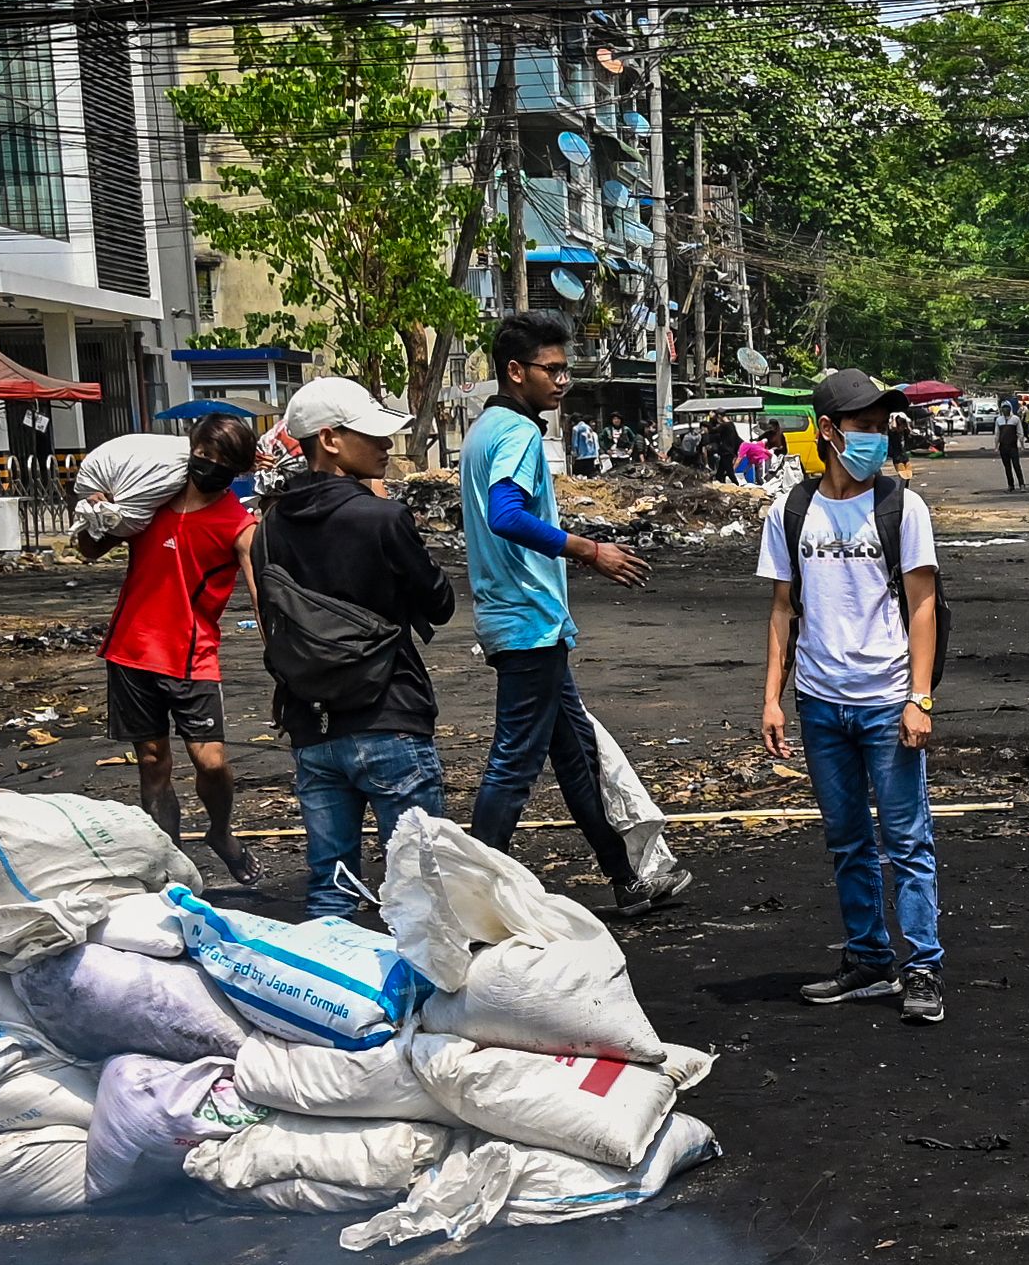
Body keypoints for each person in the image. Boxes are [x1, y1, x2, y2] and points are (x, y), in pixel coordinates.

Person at [456, 312, 679, 918]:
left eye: (565, 369)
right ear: (514, 371)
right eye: (551, 370)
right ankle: (476, 898)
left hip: (525, 619)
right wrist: (587, 549)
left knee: (574, 753)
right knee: (514, 761)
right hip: (526, 620)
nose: (562, 382)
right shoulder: (519, 434)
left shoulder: (482, 431)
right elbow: (505, 514)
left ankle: (626, 878)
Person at [758, 369, 948, 1025]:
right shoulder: (791, 511)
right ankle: (869, 959)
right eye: (863, 425)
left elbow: (923, 606)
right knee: (846, 840)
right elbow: (783, 609)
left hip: (885, 701)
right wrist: (772, 698)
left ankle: (921, 966)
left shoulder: (903, 508)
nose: (875, 435)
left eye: (881, 423)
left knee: (907, 839)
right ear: (830, 430)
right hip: (819, 703)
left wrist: (918, 697)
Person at [260, 378, 455, 920]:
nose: (386, 445)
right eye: (372, 435)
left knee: (330, 889)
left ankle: (334, 1001)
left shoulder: (271, 525)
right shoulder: (381, 517)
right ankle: (418, 1003)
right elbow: (439, 603)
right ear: (330, 439)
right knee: (421, 891)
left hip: (311, 723)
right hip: (388, 714)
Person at [85, 412, 260, 886]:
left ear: (237, 468)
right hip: (130, 650)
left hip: (192, 655)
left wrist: (283, 658)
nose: (208, 465)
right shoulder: (149, 503)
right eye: (203, 454)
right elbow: (88, 548)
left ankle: (220, 833)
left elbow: (262, 594)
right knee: (151, 762)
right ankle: (172, 868)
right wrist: (101, 512)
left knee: (212, 761)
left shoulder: (239, 525)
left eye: (221, 460)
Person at [997, 401, 1026, 492]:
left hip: (1013, 446)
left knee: (1016, 465)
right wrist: (996, 446)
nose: (1006, 409)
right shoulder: (999, 420)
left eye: (1007, 407)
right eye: (1004, 407)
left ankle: (1022, 484)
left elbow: (1020, 433)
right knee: (1007, 467)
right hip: (1003, 446)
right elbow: (997, 434)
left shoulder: (1015, 419)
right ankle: (1010, 485)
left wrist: (1022, 445)